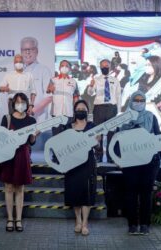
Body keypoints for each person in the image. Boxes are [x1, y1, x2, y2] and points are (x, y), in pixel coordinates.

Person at [120, 91, 161, 235]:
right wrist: (118, 159)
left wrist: (160, 153)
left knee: (146, 195)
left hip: (148, 163)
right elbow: (116, 140)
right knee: (130, 194)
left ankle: (144, 224)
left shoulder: (151, 117)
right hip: (130, 162)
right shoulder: (123, 119)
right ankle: (132, 225)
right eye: (136, 100)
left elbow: (158, 135)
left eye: (141, 100)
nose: (138, 102)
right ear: (131, 101)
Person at [0, 93, 38, 232]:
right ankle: (10, 219)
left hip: (22, 154)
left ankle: (18, 219)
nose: (21, 105)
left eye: (23, 102)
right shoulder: (6, 119)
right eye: (18, 102)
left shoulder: (31, 120)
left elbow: (31, 142)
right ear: (13, 104)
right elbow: (0, 140)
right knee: (8, 187)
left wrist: (34, 135)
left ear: (27, 104)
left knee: (20, 188)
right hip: (8, 156)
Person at [63, 100, 98, 236]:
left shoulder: (92, 126)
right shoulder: (68, 127)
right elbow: (63, 146)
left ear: (87, 111)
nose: (81, 110)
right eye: (79, 108)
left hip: (87, 163)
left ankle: (85, 223)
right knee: (75, 193)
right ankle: (78, 221)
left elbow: (98, 147)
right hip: (72, 164)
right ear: (74, 110)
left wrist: (97, 142)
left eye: (83, 108)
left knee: (87, 193)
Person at [88, 59, 121, 162]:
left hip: (112, 108)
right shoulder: (96, 79)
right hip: (99, 108)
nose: (105, 67)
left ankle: (111, 157)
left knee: (112, 133)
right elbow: (90, 93)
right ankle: (98, 155)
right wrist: (91, 85)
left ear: (110, 67)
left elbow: (118, 96)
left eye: (107, 66)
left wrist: (119, 111)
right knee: (98, 133)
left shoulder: (115, 80)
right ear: (100, 67)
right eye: (103, 66)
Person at [20, 37, 53, 121]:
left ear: (37, 51)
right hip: (20, 116)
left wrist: (33, 111)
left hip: (38, 117)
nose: (27, 52)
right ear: (21, 52)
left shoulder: (44, 70)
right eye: (25, 49)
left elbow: (49, 96)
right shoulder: (19, 71)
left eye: (31, 49)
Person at [47, 60, 79, 135]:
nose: (64, 67)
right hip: (56, 113)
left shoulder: (73, 81)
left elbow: (76, 97)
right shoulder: (53, 80)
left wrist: (76, 112)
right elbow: (47, 92)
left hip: (69, 113)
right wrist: (49, 89)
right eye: (62, 65)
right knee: (56, 137)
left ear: (70, 69)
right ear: (59, 67)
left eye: (66, 66)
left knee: (67, 138)